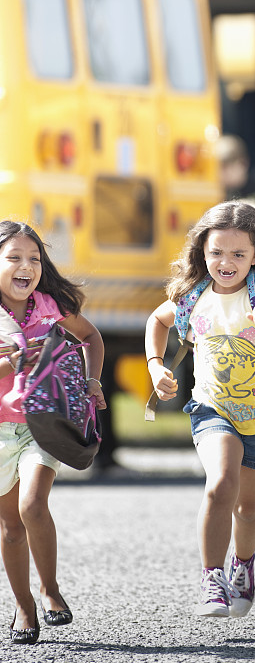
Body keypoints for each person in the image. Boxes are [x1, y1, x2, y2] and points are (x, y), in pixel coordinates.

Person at [145, 201, 255, 618]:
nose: (226, 263)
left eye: (238, 254)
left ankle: (242, 564)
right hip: (213, 410)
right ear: (202, 252)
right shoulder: (194, 297)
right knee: (220, 483)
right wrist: (156, 366)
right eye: (216, 253)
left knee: (249, 507)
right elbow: (158, 321)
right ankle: (212, 578)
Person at [0, 221, 105, 644]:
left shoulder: (50, 305)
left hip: (43, 427)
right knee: (9, 527)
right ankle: (23, 605)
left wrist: (93, 381)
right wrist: (13, 363)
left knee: (33, 505)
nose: (26, 267)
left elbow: (91, 336)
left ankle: (50, 589)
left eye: (34, 259)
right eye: (14, 258)